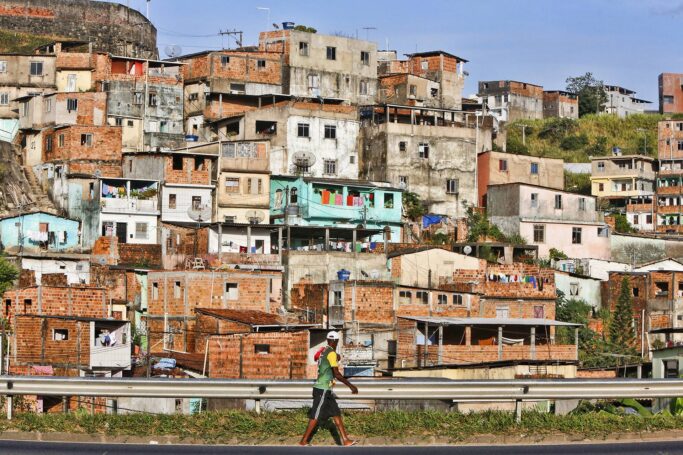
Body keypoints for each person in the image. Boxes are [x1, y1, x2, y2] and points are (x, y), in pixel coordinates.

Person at [300, 331, 358, 446]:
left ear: (328, 340)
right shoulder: (331, 353)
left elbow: (327, 359)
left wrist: (336, 356)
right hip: (322, 389)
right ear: (336, 341)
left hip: (327, 390)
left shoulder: (323, 351)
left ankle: (345, 440)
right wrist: (351, 386)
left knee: (336, 414)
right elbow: (337, 374)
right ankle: (303, 440)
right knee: (315, 416)